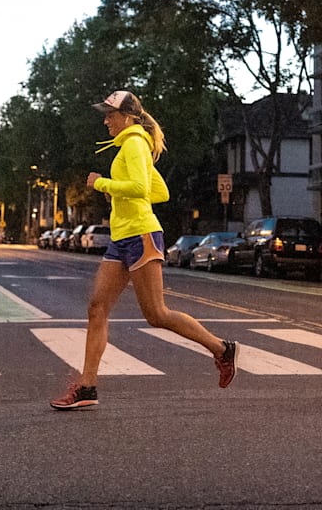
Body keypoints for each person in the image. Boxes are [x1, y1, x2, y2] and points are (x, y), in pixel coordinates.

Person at [51, 90, 238, 410]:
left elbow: (140, 188)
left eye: (110, 115)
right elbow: (159, 191)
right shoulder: (129, 146)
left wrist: (102, 184)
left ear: (128, 117)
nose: (106, 120)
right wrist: (119, 194)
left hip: (141, 235)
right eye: (105, 115)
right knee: (97, 308)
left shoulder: (135, 143)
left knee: (156, 314)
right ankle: (87, 387)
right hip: (121, 237)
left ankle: (221, 349)